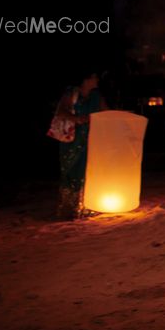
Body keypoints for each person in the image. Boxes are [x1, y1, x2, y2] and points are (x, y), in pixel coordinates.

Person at [55, 70, 107, 220]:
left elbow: (107, 112)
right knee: (72, 170)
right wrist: (76, 119)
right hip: (72, 140)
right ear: (86, 79)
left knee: (89, 169)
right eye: (95, 77)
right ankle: (69, 208)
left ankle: (87, 205)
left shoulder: (96, 96)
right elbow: (61, 111)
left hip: (92, 138)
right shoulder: (72, 93)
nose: (97, 79)